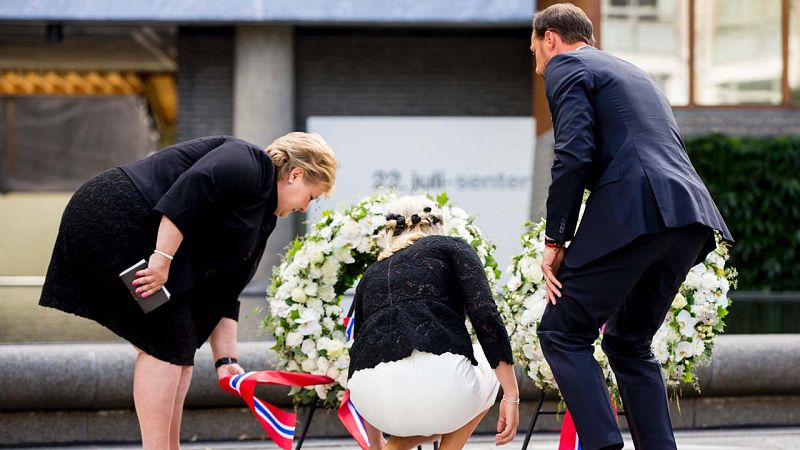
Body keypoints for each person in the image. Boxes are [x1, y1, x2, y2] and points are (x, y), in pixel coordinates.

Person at [39, 133, 337, 450]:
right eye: (312, 196)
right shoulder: (245, 161)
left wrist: (226, 360)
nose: (306, 207)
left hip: (145, 234)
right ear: (295, 175)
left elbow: (225, 288)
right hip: (112, 213)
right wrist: (162, 259)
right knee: (165, 340)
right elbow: (185, 195)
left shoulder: (263, 218)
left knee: (178, 341)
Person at [529, 4, 733, 450]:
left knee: (561, 331)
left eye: (536, 54)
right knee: (629, 342)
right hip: (689, 219)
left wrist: (555, 238)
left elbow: (574, 155)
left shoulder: (567, 64)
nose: (540, 68)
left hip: (637, 212)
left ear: (550, 38)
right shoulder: (634, 73)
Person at [346, 195, 519, 450]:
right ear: (438, 222)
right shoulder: (451, 247)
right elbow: (486, 318)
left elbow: (360, 350)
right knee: (481, 363)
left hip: (371, 402)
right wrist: (512, 396)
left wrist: (374, 445)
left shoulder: (371, 273)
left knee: (431, 416)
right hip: (440, 392)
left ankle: (392, 447)